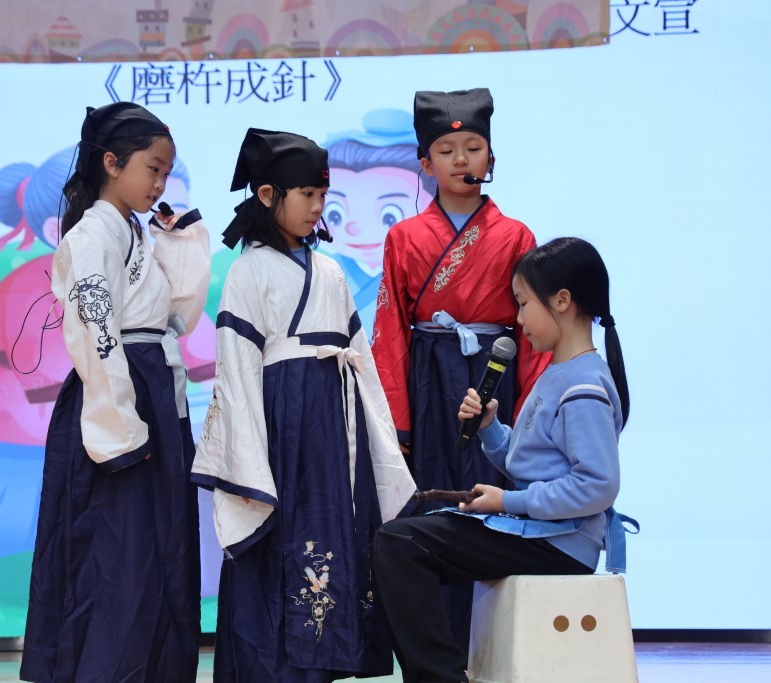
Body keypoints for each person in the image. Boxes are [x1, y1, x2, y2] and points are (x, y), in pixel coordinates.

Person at [191, 128, 417, 683]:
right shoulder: (247, 271)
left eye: (322, 195)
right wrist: (248, 461)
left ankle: (324, 665)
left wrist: (381, 442)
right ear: (268, 195)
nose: (318, 207)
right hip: (279, 428)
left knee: (333, 534)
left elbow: (361, 363)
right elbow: (236, 371)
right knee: (280, 539)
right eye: (308, 195)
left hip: (335, 429)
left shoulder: (332, 272)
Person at [373, 236, 633, 683]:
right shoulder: (561, 372)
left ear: (562, 301)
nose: (519, 319)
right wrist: (491, 428)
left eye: (524, 303)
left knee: (401, 545)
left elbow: (597, 485)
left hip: (558, 541)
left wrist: (506, 502)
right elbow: (531, 461)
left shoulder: (584, 385)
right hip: (541, 532)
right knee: (401, 542)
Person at [20, 102, 211, 683]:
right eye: (152, 169)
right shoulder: (92, 235)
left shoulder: (133, 230)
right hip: (118, 402)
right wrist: (121, 431)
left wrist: (180, 242)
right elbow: (95, 331)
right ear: (111, 163)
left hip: (151, 390)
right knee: (117, 559)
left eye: (166, 173)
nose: (160, 184)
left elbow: (175, 320)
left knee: (162, 550)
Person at [370, 87, 551, 646]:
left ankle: (497, 647)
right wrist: (397, 423)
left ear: (490, 157)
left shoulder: (516, 235)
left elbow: (534, 331)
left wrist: (532, 411)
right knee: (436, 501)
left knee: (497, 497)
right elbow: (390, 330)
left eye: (473, 147)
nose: (460, 160)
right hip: (429, 380)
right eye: (446, 151)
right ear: (425, 164)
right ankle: (442, 649)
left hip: (498, 375)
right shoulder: (403, 237)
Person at [321, 109, 437, 340]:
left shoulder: (431, 267)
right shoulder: (323, 268)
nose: (356, 229)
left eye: (389, 216)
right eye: (335, 214)